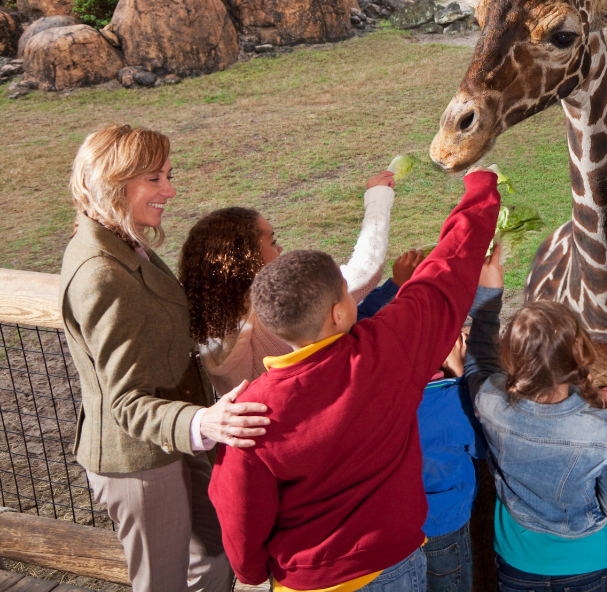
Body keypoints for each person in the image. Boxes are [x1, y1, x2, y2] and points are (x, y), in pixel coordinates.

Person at [208, 166, 500, 592]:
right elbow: (447, 271)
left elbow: (237, 508)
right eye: (346, 293)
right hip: (394, 565)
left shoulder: (250, 412)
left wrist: (252, 572)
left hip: (306, 580)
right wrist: (481, 188)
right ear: (339, 313)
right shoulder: (385, 352)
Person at [59, 123, 270, 592]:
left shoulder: (122, 240)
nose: (169, 191)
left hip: (177, 440)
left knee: (216, 558)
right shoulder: (102, 274)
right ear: (113, 181)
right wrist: (205, 425)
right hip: (140, 460)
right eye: (154, 179)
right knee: (163, 583)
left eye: (168, 176)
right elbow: (126, 403)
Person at [357, 246, 505, 592]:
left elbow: (360, 330)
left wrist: (396, 287)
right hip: (444, 527)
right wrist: (460, 374)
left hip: (387, 533)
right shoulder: (450, 399)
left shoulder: (369, 393)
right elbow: (486, 443)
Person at [470, 300, 607, 592]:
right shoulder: (605, 432)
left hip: (517, 561)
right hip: (585, 564)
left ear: (511, 359)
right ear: (578, 356)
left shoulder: (489, 404)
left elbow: (478, 367)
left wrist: (486, 303)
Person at [178, 168, 395, 397]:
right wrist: (378, 197)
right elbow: (366, 269)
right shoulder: (274, 307)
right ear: (246, 259)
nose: (280, 248)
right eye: (273, 242)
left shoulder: (212, 315)